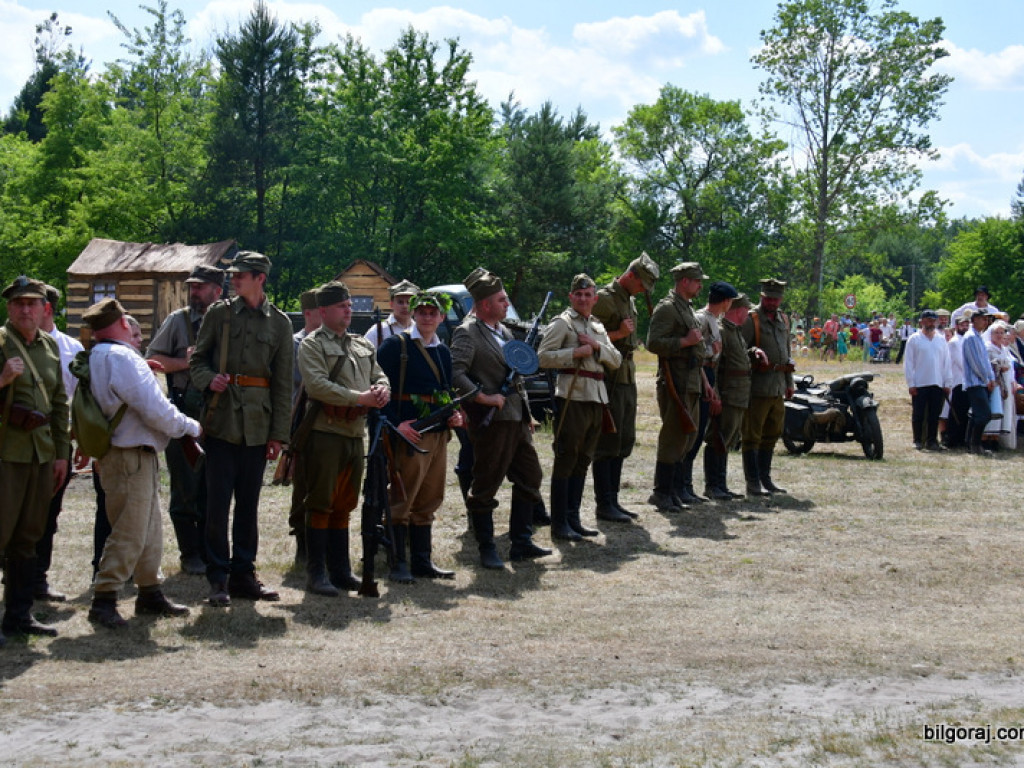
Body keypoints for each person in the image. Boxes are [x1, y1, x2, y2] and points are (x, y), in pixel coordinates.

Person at [80, 299, 197, 628]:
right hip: (129, 453)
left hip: (128, 453)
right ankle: (104, 598)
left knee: (149, 528)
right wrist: (190, 427)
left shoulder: (98, 355)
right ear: (121, 323)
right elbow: (155, 409)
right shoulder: (122, 358)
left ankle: (149, 591)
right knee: (130, 531)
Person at [190, 251, 293, 606]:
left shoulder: (280, 323)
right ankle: (218, 578)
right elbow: (197, 360)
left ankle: (244, 576)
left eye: (241, 275)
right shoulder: (219, 314)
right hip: (221, 421)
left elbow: (283, 383)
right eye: (233, 274)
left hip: (258, 426)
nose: (233, 280)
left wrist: (279, 434)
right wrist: (208, 379)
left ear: (260, 278)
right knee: (217, 507)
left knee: (249, 507)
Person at [451, 268, 552, 568]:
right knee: (486, 484)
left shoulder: (503, 331)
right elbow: (455, 373)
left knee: (530, 477)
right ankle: (487, 548)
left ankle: (521, 542)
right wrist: (482, 398)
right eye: (502, 300)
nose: (507, 304)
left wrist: (528, 415)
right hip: (492, 421)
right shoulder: (467, 332)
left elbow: (516, 377)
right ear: (484, 304)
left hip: (516, 419)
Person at [297, 281, 390, 596]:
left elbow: (379, 374)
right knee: (321, 502)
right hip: (325, 432)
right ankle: (316, 573)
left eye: (349, 305)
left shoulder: (362, 344)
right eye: (341, 306)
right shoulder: (312, 344)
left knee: (345, 502)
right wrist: (359, 398)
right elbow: (317, 385)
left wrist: (382, 389)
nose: (348, 310)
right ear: (323, 311)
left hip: (354, 432)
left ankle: (340, 571)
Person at [0, 276, 69, 644]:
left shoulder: (50, 346)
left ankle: (19, 615)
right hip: (6, 453)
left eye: (32, 303)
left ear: (44, 309)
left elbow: (59, 404)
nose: (25, 309)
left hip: (41, 454)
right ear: (9, 308)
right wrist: (2, 378)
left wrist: (61, 455)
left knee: (28, 537)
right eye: (18, 303)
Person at [146, 264, 225, 576]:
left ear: (218, 291)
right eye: (192, 286)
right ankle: (189, 552)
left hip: (221, 413)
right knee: (185, 485)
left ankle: (210, 550)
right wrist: (185, 362)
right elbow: (152, 360)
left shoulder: (229, 322)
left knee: (213, 487)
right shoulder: (177, 321)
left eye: (200, 287)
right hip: (185, 410)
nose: (194, 291)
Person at [377, 291, 462, 581]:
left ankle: (422, 561)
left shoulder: (443, 351)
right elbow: (378, 390)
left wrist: (454, 414)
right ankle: (398, 563)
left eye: (432, 313)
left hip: (438, 433)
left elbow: (446, 390)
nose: (427, 317)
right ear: (413, 314)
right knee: (403, 498)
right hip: (409, 435)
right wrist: (396, 424)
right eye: (422, 312)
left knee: (430, 497)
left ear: (441, 317)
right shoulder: (394, 346)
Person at [538, 274, 622, 540]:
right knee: (567, 458)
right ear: (571, 297)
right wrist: (574, 353)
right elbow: (542, 358)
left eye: (588, 295)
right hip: (572, 397)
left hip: (597, 397)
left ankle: (573, 518)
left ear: (595, 298)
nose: (583, 299)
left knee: (584, 459)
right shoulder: (562, 323)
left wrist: (596, 347)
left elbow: (616, 360)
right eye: (579, 295)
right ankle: (559, 523)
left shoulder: (597, 326)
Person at [590, 253, 660, 522]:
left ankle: (614, 500)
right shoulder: (605, 299)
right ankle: (604, 503)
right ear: (630, 276)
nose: (644, 290)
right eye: (642, 284)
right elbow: (587, 335)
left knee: (623, 440)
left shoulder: (628, 299)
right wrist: (618, 334)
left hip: (626, 374)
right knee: (608, 440)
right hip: (610, 376)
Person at [31, 284, 83, 603]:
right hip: (19, 437)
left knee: (49, 511)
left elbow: (80, 398)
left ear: (46, 309)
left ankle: (38, 577)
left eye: (33, 305)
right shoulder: (9, 344)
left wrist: (79, 440)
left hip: (57, 438)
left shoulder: (71, 348)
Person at [645, 262, 707, 512]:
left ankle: (673, 490)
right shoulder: (668, 308)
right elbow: (653, 343)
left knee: (687, 437)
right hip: (675, 381)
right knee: (673, 436)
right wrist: (684, 342)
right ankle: (661, 492)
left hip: (690, 381)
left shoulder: (686, 308)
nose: (700, 285)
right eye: (697, 280)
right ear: (684, 281)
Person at [675, 281, 734, 506]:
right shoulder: (701, 318)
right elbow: (695, 351)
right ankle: (682, 485)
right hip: (700, 374)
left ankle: (686, 486)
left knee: (699, 435)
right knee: (694, 432)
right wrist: (710, 353)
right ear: (726, 301)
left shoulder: (713, 319)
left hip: (709, 373)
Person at [704, 294, 766, 499]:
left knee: (728, 439)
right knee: (718, 438)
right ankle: (713, 485)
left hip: (738, 395)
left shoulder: (734, 331)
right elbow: (715, 366)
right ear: (739, 310)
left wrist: (752, 352)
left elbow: (737, 357)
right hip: (728, 394)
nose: (748, 315)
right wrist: (716, 395)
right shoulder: (722, 331)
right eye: (747, 310)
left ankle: (721, 485)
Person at [740, 278, 794, 496]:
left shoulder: (783, 319)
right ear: (762, 297)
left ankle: (765, 478)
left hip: (778, 387)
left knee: (772, 433)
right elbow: (739, 349)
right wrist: (754, 352)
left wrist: (789, 383)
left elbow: (787, 353)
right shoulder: (751, 319)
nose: (772, 302)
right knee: (752, 435)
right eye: (768, 298)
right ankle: (753, 482)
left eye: (776, 299)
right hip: (758, 387)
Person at [284, 289, 321, 565]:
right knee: (303, 483)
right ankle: (302, 542)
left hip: (328, 420)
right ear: (308, 313)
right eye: (322, 310)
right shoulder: (295, 344)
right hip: (301, 421)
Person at [903, 310, 952, 451]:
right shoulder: (914, 339)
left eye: (933, 321)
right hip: (920, 382)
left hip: (937, 382)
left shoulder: (941, 339)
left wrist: (947, 382)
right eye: (928, 320)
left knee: (934, 414)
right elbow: (909, 363)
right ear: (922, 322)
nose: (931, 323)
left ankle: (932, 440)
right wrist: (911, 383)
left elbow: (946, 362)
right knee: (918, 413)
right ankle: (918, 440)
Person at [961, 307, 996, 456]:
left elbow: (986, 361)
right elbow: (976, 363)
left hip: (981, 382)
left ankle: (971, 444)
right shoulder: (971, 337)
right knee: (983, 415)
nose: (986, 321)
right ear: (974, 319)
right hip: (975, 382)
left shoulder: (979, 337)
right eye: (983, 318)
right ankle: (975, 444)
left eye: (987, 319)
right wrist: (986, 379)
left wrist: (991, 378)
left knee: (977, 415)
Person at [941, 312, 971, 448]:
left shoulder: (966, 340)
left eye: (967, 325)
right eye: (962, 325)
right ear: (956, 326)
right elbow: (961, 363)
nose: (965, 327)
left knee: (964, 412)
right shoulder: (954, 342)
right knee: (955, 412)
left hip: (965, 382)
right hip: (958, 381)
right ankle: (952, 439)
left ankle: (961, 438)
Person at [364, 279, 419, 348]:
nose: (405, 306)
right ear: (391, 304)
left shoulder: (420, 330)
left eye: (409, 302)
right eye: (400, 302)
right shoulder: (378, 331)